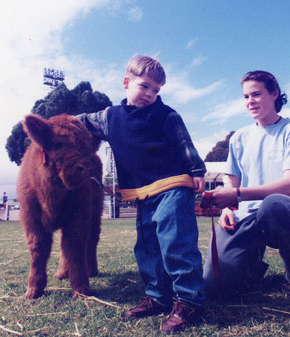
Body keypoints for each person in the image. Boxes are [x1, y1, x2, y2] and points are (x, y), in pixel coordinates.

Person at [77, 55, 206, 333]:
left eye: (156, 90)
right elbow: (80, 122)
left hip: (173, 185)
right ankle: (158, 297)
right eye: (144, 86)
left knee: (175, 243)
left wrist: (197, 170)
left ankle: (190, 301)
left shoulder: (167, 115)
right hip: (142, 193)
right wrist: (53, 126)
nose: (150, 94)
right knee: (147, 247)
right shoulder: (109, 117)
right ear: (126, 82)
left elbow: (184, 143)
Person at [202, 70, 290, 300]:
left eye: (256, 94)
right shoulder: (239, 137)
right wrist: (226, 208)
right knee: (213, 288)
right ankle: (250, 265)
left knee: (274, 204)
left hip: (284, 211)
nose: (250, 101)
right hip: (246, 215)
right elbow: (231, 179)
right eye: (245, 96)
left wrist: (237, 194)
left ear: (274, 93)